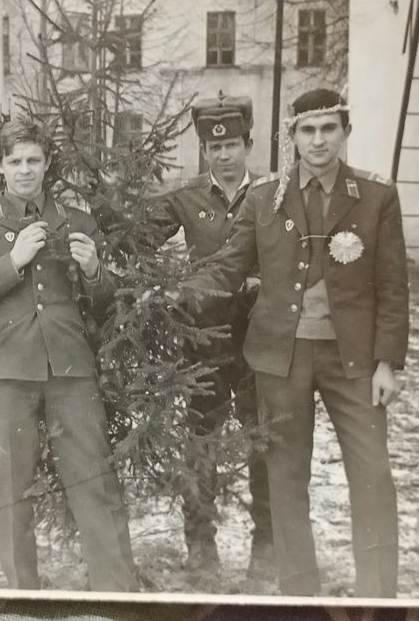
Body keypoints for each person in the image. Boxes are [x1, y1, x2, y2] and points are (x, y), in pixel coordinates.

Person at [185, 88, 409, 597]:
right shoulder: (266, 196)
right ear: (292, 137)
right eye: (307, 130)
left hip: (354, 361)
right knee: (286, 479)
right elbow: (228, 266)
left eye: (329, 129)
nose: (318, 140)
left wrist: (387, 363)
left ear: (345, 132)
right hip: (280, 358)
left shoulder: (376, 196)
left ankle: (379, 597)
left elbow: (394, 285)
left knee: (373, 476)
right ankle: (299, 594)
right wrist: (174, 292)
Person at [0, 118, 138, 592]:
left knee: (94, 478)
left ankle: (116, 592)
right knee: (12, 487)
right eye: (15, 161)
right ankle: (22, 594)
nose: (25, 170)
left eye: (34, 160)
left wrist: (94, 272)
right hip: (7, 369)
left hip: (70, 366)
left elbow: (106, 307)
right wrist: (11, 262)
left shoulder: (77, 222)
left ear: (48, 163)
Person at [148, 92, 273, 582]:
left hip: (260, 338)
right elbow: (137, 236)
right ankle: (200, 545)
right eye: (214, 147)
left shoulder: (273, 193)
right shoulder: (188, 196)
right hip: (204, 341)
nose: (223, 156)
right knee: (201, 442)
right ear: (204, 150)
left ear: (248, 145)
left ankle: (267, 545)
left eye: (232, 145)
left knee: (263, 440)